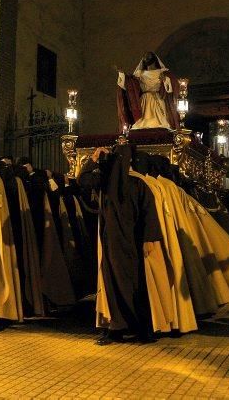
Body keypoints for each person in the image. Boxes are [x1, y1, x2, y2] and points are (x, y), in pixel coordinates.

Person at [78, 145, 162, 345]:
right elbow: (149, 215)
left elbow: (148, 215)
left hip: (124, 244)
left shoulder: (118, 183)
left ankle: (133, 329)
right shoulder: (118, 183)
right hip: (120, 243)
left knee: (127, 286)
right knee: (119, 286)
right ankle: (122, 328)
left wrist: (94, 160)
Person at [116, 51, 180, 131]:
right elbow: (130, 84)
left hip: (157, 98)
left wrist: (165, 80)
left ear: (154, 59)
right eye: (145, 57)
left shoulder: (161, 72)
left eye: (148, 57)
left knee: (160, 122)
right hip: (144, 99)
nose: (147, 59)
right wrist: (122, 74)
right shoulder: (140, 74)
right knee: (143, 121)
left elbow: (171, 88)